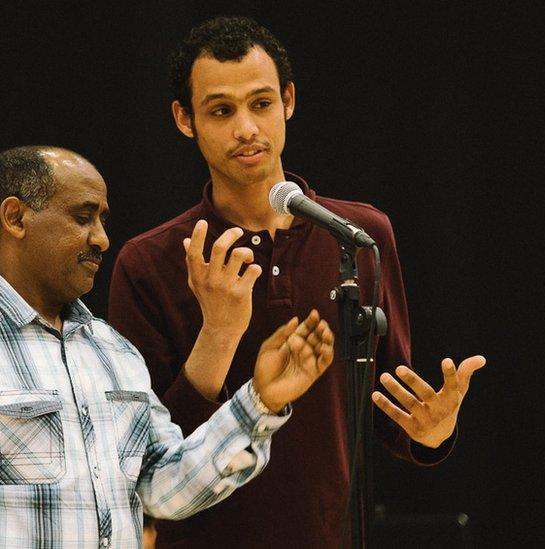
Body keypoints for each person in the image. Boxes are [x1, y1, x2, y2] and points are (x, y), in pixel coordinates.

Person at [108, 17, 486, 548]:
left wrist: (433, 429)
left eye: (260, 104)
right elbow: (144, 458)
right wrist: (218, 331)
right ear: (184, 119)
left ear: (288, 100)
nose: (246, 128)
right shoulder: (151, 261)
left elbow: (389, 411)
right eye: (221, 110)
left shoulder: (358, 236)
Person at [0, 145, 336, 548]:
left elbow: (164, 490)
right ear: (15, 218)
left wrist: (261, 402)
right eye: (83, 218)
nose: (102, 239)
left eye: (103, 219)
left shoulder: (113, 353)